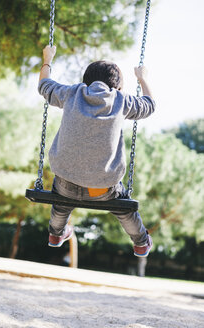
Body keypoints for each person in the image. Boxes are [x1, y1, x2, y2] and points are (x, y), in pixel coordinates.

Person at [38, 45, 155, 257]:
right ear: (118, 87)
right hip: (104, 189)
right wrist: (142, 78)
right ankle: (140, 243)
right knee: (124, 208)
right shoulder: (121, 100)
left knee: (61, 203)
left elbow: (44, 85)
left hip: (66, 183)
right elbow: (149, 105)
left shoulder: (71, 92)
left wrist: (48, 58)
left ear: (86, 82)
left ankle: (56, 234)